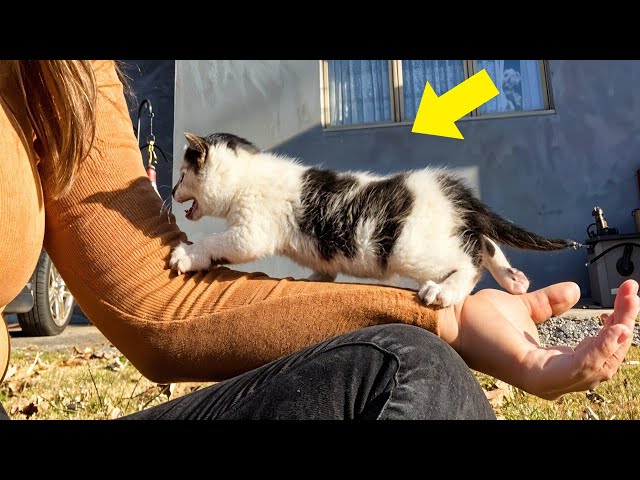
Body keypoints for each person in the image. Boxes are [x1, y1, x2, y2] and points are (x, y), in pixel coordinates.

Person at [0, 60, 637, 420]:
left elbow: (156, 302)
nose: (181, 196)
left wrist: (455, 321)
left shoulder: (55, 79)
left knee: (413, 368)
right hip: (373, 228)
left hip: (388, 235)